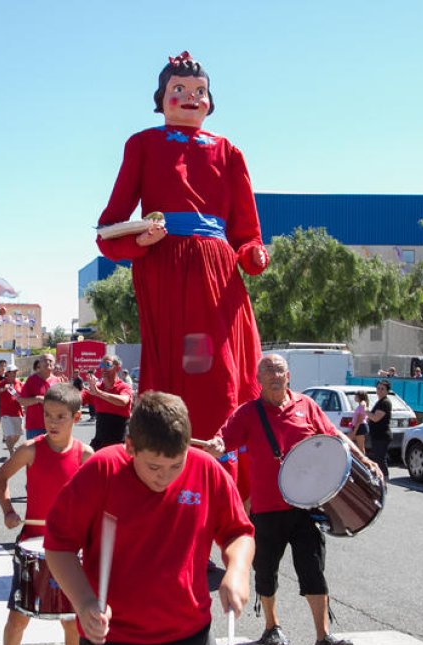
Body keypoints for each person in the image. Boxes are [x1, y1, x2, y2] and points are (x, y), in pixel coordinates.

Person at [96, 51, 267, 452]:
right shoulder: (143, 144)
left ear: (210, 100)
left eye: (200, 91)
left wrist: (252, 253)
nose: (191, 97)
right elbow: (109, 225)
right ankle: (167, 456)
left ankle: (224, 456)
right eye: (179, 89)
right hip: (165, 265)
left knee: (222, 366)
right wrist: (139, 240)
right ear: (161, 99)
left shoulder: (228, 151)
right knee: (176, 364)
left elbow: (247, 231)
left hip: (217, 271)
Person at [45, 391, 254, 645]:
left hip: (190, 634)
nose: (164, 476)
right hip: (114, 642)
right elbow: (59, 545)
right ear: (130, 447)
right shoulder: (102, 469)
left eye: (176, 465)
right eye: (154, 466)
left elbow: (238, 533)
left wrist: (237, 571)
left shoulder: (206, 470)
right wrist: (84, 602)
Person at [210, 354, 381, 645]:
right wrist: (216, 445)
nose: (275, 376)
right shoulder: (248, 413)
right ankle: (271, 626)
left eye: (279, 371)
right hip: (267, 509)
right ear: (258, 380)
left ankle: (323, 637)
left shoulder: (306, 406)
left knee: (313, 568)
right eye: (268, 372)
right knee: (266, 571)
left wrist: (362, 458)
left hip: (306, 507)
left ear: (288, 376)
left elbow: (335, 436)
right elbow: (225, 439)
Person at [0, 383, 92, 645]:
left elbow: (99, 498)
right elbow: (0, 478)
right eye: (48, 415)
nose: (52, 421)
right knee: (19, 617)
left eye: (61, 416)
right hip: (32, 543)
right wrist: (8, 510)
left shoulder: (86, 455)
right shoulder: (30, 450)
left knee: (73, 622)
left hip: (69, 549)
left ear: (76, 418)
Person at [81, 355, 132, 450]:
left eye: (107, 365)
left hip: (120, 443)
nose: (103, 368)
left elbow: (123, 401)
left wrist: (98, 393)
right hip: (100, 442)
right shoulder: (96, 388)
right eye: (101, 365)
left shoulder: (124, 387)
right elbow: (76, 399)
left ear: (117, 368)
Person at [18, 354, 58, 441]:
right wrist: (37, 399)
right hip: (35, 427)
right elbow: (22, 401)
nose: (48, 362)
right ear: (39, 364)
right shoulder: (32, 380)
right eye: (45, 360)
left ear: (54, 364)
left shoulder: (57, 381)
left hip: (53, 425)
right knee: (34, 453)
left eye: (50, 361)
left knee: (51, 454)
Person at [0, 364, 25, 454]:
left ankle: (11, 446)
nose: (15, 373)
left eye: (15, 372)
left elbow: (24, 396)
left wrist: (24, 406)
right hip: (5, 413)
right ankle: (11, 453)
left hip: (17, 412)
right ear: (8, 373)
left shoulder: (19, 383)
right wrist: (2, 389)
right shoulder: (3, 383)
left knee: (18, 434)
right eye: (13, 372)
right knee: (10, 435)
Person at [366, 379, 393, 478]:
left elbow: (376, 418)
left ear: (387, 391)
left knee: (380, 459)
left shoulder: (385, 402)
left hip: (382, 436)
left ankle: (385, 478)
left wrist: (366, 411)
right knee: (378, 458)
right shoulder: (380, 401)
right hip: (377, 435)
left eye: (382, 389)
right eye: (378, 388)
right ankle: (382, 478)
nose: (380, 390)